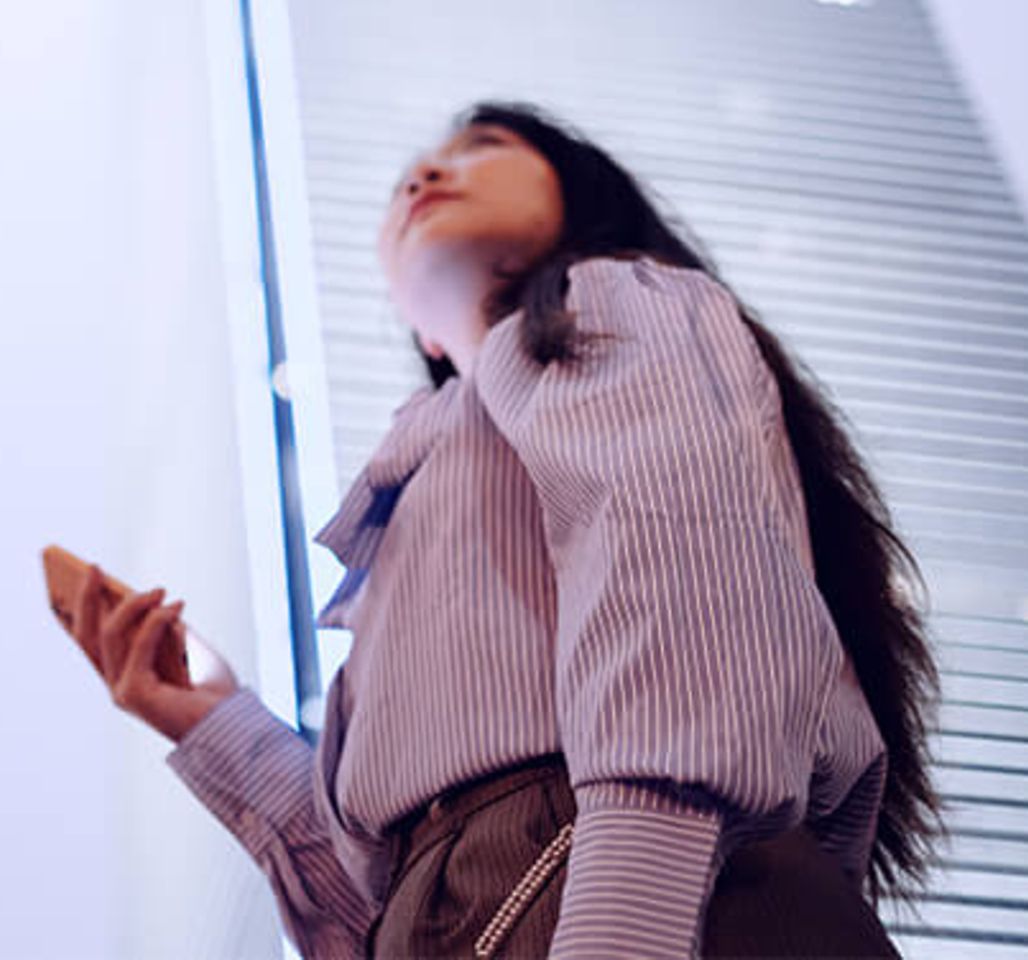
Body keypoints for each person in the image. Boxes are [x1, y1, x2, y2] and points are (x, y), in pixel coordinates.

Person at [72, 100, 946, 958]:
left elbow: (684, 583)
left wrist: (624, 928)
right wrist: (210, 719)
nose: (424, 173)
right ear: (425, 333)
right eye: (410, 177)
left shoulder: (607, 302)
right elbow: (386, 906)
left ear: (582, 201)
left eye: (482, 146)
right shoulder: (420, 480)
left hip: (632, 886)